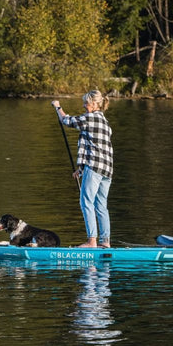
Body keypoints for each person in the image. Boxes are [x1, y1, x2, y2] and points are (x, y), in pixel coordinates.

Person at [51, 91, 113, 248]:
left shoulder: (90, 118)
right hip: (106, 170)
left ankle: (92, 241)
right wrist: (81, 168)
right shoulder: (104, 122)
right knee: (101, 205)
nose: (84, 106)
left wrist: (58, 107)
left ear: (94, 104)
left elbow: (66, 120)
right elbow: (92, 146)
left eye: (86, 103)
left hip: (95, 168)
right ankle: (105, 242)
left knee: (86, 201)